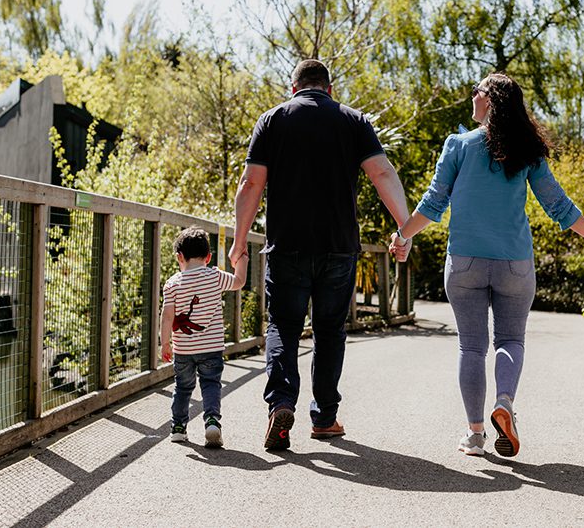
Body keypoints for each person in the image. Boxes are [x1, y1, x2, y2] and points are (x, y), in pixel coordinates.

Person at [388, 72, 584, 458]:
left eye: (475, 92)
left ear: (488, 100)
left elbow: (433, 203)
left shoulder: (458, 145)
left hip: (464, 263)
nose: (471, 98)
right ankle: (504, 403)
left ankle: (475, 434)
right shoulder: (528, 150)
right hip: (514, 263)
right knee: (510, 341)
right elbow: (557, 203)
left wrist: (403, 235)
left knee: (472, 347)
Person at [228, 59, 409, 451]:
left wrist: (239, 242)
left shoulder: (273, 120)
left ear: (292, 88)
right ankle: (325, 418)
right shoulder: (353, 120)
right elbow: (382, 174)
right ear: (329, 88)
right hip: (338, 247)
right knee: (329, 332)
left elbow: (251, 183)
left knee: (283, 326)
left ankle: (280, 403)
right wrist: (404, 228)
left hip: (287, 245)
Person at [161, 226, 248, 448]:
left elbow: (167, 316)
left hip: (183, 350)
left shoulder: (172, 284)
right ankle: (212, 421)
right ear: (209, 257)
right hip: (211, 348)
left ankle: (178, 428)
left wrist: (164, 343)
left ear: (179, 257)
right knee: (210, 383)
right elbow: (239, 282)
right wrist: (243, 258)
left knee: (182, 387)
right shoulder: (215, 276)